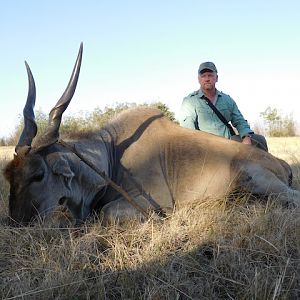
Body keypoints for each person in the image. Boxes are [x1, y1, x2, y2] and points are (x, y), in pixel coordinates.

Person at [179, 61, 268, 151]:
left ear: (216, 78)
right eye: (203, 76)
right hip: (205, 147)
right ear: (199, 79)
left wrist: (246, 137)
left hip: (228, 144)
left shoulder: (227, 99)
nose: (207, 79)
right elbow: (188, 131)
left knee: (260, 140)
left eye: (210, 75)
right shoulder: (190, 101)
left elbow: (239, 121)